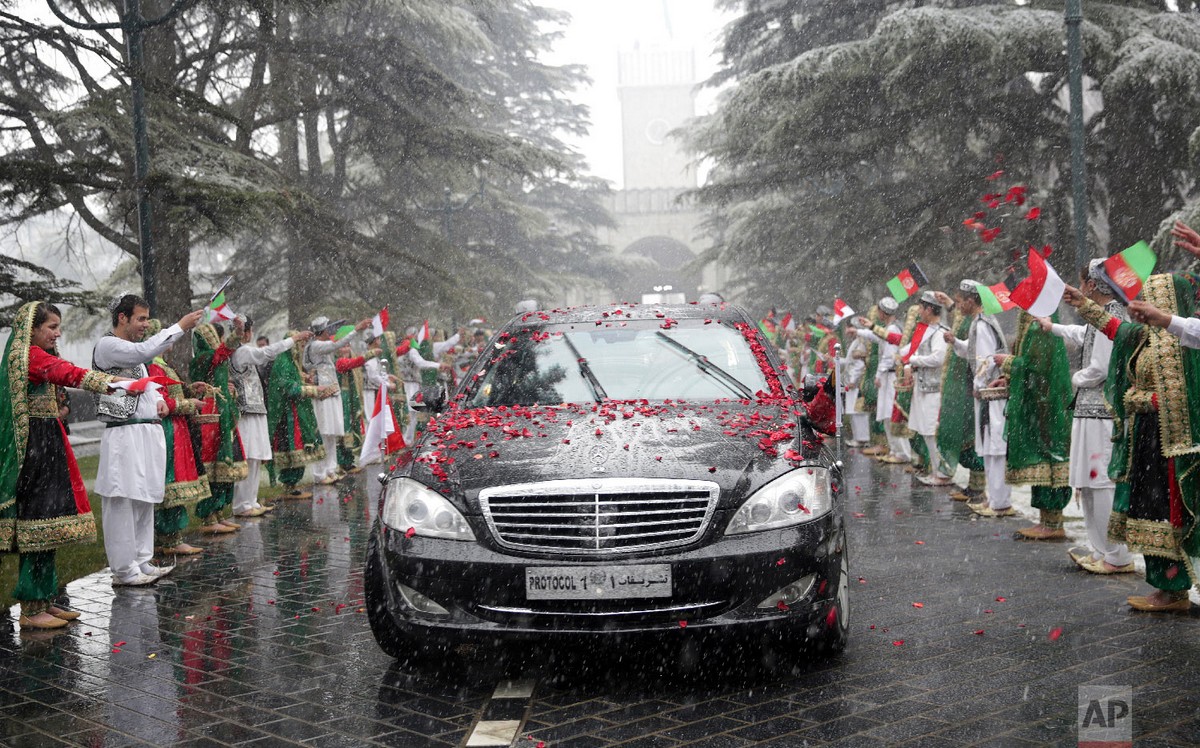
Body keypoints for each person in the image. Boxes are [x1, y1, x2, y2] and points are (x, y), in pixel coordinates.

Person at [1066, 273, 1199, 612]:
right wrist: (1083, 305)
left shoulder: (1184, 344)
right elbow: (1116, 329)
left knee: (1167, 516)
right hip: (1146, 439)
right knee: (1147, 512)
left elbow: (1188, 397)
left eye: (1153, 300)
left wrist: (1150, 400)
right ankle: (1162, 586)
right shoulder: (1145, 337)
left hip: (1172, 444)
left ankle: (1174, 589)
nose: (1146, 308)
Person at [0, 302, 118, 628]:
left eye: (58, 326)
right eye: (51, 327)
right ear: (32, 329)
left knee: (48, 528)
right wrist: (107, 382)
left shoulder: (36, 355)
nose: (58, 333)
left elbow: (62, 374)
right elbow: (66, 372)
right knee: (37, 527)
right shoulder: (28, 356)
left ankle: (46, 598)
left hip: (47, 444)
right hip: (35, 452)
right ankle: (31, 607)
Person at [93, 295, 203, 586]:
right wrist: (180, 326)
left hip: (145, 431)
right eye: (140, 319)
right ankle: (123, 569)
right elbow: (144, 352)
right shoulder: (109, 346)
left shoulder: (133, 353)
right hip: (124, 432)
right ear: (122, 318)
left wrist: (160, 403)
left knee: (144, 497)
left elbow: (146, 384)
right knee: (122, 499)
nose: (145, 324)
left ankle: (142, 559)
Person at [1044, 261, 1133, 573]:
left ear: (1093, 284)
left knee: (1101, 482)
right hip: (1090, 412)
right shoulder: (1103, 314)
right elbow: (1085, 334)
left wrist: (1075, 378)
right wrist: (1052, 326)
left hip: (1102, 412)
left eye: (1082, 284)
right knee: (1090, 481)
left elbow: (1101, 368)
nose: (1080, 290)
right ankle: (1103, 550)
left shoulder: (1112, 314)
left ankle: (1117, 555)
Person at [993, 309, 1073, 539]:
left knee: (1048, 457)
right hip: (1038, 401)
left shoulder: (1041, 322)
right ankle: (1046, 520)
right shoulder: (1034, 319)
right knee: (1041, 459)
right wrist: (1008, 378)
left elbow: (1037, 366)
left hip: (1047, 403)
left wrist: (1009, 362)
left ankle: (1053, 522)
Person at [230, 319, 311, 518]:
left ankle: (251, 500)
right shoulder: (241, 352)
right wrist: (292, 340)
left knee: (256, 456)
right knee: (248, 457)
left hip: (257, 409)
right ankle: (241, 504)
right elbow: (266, 353)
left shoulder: (244, 350)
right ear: (246, 332)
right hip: (246, 412)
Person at [145, 320, 209, 556]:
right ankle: (169, 538)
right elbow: (161, 403)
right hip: (168, 429)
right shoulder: (154, 366)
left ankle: (169, 537)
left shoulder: (161, 365)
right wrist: (188, 403)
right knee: (170, 483)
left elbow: (171, 394)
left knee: (172, 482)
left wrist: (190, 390)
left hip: (176, 429)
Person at [943, 284, 1009, 514]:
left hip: (991, 392)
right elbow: (972, 353)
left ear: (971, 300)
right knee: (990, 447)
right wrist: (955, 342)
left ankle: (1000, 502)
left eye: (960, 300)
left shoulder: (982, 324)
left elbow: (987, 360)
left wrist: (979, 385)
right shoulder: (979, 322)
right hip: (987, 393)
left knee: (995, 448)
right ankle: (995, 500)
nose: (958, 305)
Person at [190, 321, 248, 533]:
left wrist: (228, 389)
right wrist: (237, 334)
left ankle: (219, 512)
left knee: (225, 469)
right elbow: (222, 352)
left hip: (223, 412)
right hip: (211, 416)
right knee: (213, 468)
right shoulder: (203, 358)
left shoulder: (216, 357)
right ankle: (208, 517)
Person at [267, 332, 334, 499]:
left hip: (296, 411)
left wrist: (308, 384)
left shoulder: (291, 362)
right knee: (292, 448)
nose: (302, 348)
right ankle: (289, 486)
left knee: (298, 447)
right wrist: (313, 390)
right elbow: (287, 387)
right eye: (300, 345)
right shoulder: (283, 362)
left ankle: (293, 485)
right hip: (287, 414)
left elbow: (295, 383)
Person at [303, 316, 370, 484]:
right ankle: (320, 473)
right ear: (323, 331)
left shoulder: (318, 345)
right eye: (329, 329)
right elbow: (336, 344)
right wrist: (356, 328)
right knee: (323, 433)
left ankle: (330, 469)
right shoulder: (316, 345)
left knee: (331, 433)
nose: (331, 332)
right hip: (323, 393)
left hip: (331, 392)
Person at [904, 291, 951, 485]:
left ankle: (942, 473)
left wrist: (913, 360)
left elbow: (938, 358)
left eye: (922, 308)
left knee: (932, 431)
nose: (919, 312)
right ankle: (937, 471)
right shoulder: (927, 330)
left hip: (934, 389)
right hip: (923, 387)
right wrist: (908, 363)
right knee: (926, 431)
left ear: (930, 309)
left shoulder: (940, 332)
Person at [838, 328, 870, 447]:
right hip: (851, 380)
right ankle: (859, 437)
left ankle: (862, 438)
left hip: (856, 383)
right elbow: (849, 361)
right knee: (853, 411)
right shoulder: (857, 341)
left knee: (858, 411)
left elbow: (859, 364)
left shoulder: (862, 342)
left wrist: (853, 380)